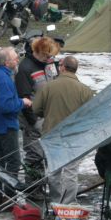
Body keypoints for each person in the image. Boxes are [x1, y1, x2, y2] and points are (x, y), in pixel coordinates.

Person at [32, 55, 95, 204]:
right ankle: (68, 204)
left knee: (54, 171)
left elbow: (36, 109)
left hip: (52, 135)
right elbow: (90, 115)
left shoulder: (48, 87)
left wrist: (48, 113)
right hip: (74, 137)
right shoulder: (85, 91)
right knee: (71, 172)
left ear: (63, 68)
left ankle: (55, 202)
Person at [0, 47, 32, 185]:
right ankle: (10, 194)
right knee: (13, 162)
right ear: (7, 62)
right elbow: (6, 106)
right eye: (15, 59)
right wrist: (23, 102)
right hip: (4, 128)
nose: (18, 60)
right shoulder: (4, 79)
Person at [14, 36, 61, 183]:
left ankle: (43, 186)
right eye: (47, 56)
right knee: (35, 156)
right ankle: (33, 189)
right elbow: (24, 98)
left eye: (51, 56)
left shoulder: (49, 64)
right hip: (32, 120)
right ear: (39, 51)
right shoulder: (25, 68)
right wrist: (34, 122)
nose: (50, 58)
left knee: (48, 156)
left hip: (49, 118)